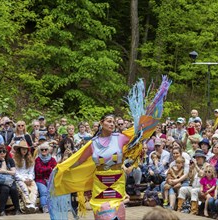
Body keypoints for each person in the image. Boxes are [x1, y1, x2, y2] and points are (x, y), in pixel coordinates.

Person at [48, 77, 171, 220]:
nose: (112, 124)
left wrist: (154, 105)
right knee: (103, 214)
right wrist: (62, 168)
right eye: (109, 121)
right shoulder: (93, 143)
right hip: (99, 184)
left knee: (118, 215)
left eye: (113, 122)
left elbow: (141, 130)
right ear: (101, 123)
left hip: (117, 182)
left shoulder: (121, 138)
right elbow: (79, 161)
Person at [0, 145, 21, 216]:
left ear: (6, 152)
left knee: (14, 189)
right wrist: (3, 161)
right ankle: (2, 211)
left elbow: (13, 172)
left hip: (9, 180)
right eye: (0, 151)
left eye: (4, 151)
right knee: (5, 189)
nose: (2, 153)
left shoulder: (10, 160)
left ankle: (17, 209)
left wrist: (5, 171)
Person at [13, 140, 38, 213]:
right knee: (24, 189)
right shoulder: (15, 160)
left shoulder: (30, 160)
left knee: (34, 188)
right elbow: (16, 172)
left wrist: (30, 179)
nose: (24, 150)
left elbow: (31, 172)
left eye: (25, 149)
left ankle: (32, 205)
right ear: (19, 149)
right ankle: (27, 205)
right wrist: (23, 179)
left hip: (29, 178)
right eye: (22, 149)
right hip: (20, 179)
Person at [35, 143, 57, 213]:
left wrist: (46, 169)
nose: (44, 151)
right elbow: (39, 170)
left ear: (48, 150)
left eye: (46, 149)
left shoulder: (52, 159)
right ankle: (44, 206)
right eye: (42, 149)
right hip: (40, 179)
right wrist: (49, 168)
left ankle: (53, 206)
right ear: (40, 150)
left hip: (50, 179)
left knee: (53, 191)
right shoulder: (37, 159)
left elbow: (55, 169)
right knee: (43, 191)